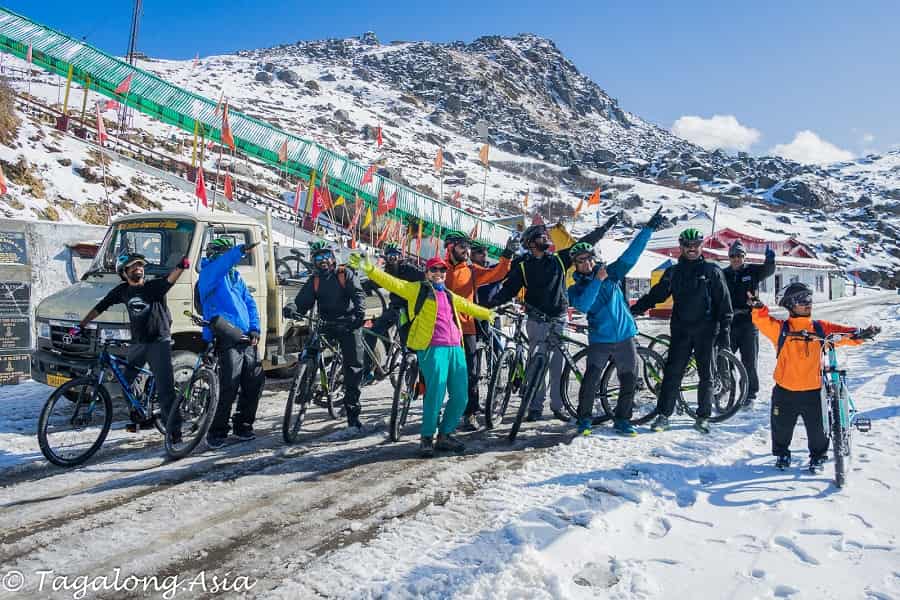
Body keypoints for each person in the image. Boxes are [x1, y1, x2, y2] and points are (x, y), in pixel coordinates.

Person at [349, 252, 495, 457]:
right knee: (435, 393)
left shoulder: (449, 295)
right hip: (433, 348)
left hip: (456, 348)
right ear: (426, 273)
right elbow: (392, 283)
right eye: (434, 269)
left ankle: (445, 435)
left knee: (461, 396)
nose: (439, 273)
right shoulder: (416, 290)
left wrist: (488, 313)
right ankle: (427, 437)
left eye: (442, 270)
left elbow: (468, 306)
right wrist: (370, 269)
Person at [488, 215, 620, 422]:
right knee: (535, 364)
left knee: (557, 365)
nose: (546, 238)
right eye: (542, 236)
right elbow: (509, 289)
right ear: (531, 243)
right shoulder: (523, 266)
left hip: (559, 319)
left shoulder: (559, 258)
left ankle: (558, 406)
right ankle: (535, 406)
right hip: (536, 320)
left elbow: (585, 242)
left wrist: (605, 227)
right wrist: (490, 305)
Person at [750, 282, 880, 472]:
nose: (808, 303)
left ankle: (818, 457)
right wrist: (758, 307)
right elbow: (762, 321)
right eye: (802, 300)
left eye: (809, 299)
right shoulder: (781, 329)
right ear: (790, 305)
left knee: (818, 429)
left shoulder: (820, 329)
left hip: (813, 391)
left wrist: (862, 334)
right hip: (785, 390)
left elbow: (844, 334)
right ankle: (782, 454)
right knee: (781, 427)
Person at [568, 208, 664, 436]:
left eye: (589, 258)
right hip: (600, 339)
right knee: (591, 379)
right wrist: (597, 281)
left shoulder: (611, 272)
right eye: (580, 261)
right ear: (575, 265)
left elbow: (631, 254)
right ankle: (584, 419)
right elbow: (584, 306)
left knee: (629, 379)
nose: (586, 263)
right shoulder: (576, 289)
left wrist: (648, 229)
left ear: (594, 257)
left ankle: (622, 419)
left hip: (624, 336)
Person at [630, 228, 733, 434]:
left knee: (707, 375)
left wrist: (724, 332)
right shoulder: (673, 272)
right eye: (687, 245)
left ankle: (703, 416)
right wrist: (633, 310)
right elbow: (655, 295)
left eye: (695, 244)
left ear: (701, 246)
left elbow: (724, 304)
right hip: (681, 330)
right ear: (681, 247)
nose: (692, 248)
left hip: (706, 330)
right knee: (672, 373)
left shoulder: (712, 271)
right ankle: (663, 415)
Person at [78, 252, 190, 437]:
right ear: (124, 272)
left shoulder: (153, 287)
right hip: (138, 343)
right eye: (134, 266)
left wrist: (181, 265)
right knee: (125, 381)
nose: (139, 268)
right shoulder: (122, 291)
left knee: (165, 390)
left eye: (141, 266)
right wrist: (82, 324)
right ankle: (141, 416)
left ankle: (174, 432)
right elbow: (101, 306)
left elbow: (170, 280)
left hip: (158, 342)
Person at [284, 240, 366, 430]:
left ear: (333, 258)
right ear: (313, 261)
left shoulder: (344, 274)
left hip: (348, 324)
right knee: (309, 351)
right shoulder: (315, 280)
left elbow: (358, 295)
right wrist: (292, 308)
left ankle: (353, 413)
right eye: (318, 258)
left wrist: (359, 314)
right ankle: (303, 387)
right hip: (326, 324)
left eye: (326, 256)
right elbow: (302, 302)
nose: (323, 261)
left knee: (353, 366)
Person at [443, 230, 515, 430]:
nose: (466, 250)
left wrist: (507, 254)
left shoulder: (472, 270)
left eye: (467, 247)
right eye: (462, 246)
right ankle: (440, 411)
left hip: (467, 328)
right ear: (450, 248)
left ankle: (470, 412)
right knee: (441, 373)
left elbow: (497, 274)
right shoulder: (438, 269)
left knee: (471, 373)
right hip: (441, 328)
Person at [198, 238, 265, 448]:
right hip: (225, 335)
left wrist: (255, 328)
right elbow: (221, 265)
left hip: (245, 337)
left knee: (254, 382)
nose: (232, 261)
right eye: (224, 255)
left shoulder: (235, 277)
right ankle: (217, 431)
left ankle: (243, 425)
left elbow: (250, 304)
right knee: (229, 384)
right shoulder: (209, 274)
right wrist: (238, 251)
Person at [723, 240, 775, 407]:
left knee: (749, 361)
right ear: (729, 257)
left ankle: (750, 394)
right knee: (724, 360)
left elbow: (768, 270)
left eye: (739, 255)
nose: (735, 259)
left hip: (748, 323)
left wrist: (770, 260)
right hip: (729, 323)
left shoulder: (752, 271)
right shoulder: (723, 274)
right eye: (732, 256)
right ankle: (726, 388)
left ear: (744, 257)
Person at [362, 241, 423, 380]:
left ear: (401, 256)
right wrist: (363, 286)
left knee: (407, 345)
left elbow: (426, 279)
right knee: (371, 333)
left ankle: (411, 378)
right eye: (390, 256)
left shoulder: (410, 270)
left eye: (396, 255)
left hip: (407, 312)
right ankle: (367, 371)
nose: (393, 258)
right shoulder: (388, 270)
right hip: (393, 309)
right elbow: (379, 281)